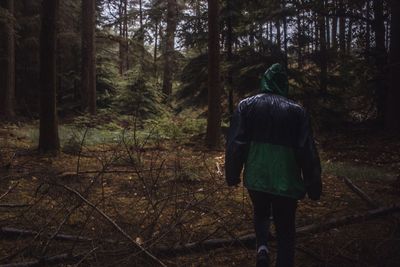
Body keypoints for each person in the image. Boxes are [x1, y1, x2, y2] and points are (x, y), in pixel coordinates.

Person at [225, 63, 322, 267]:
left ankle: (262, 249)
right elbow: (307, 151)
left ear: (264, 81)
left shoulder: (246, 105)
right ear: (284, 84)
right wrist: (313, 185)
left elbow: (236, 144)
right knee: (286, 228)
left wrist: (232, 174)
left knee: (261, 212)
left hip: (256, 178)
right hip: (286, 180)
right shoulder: (297, 111)